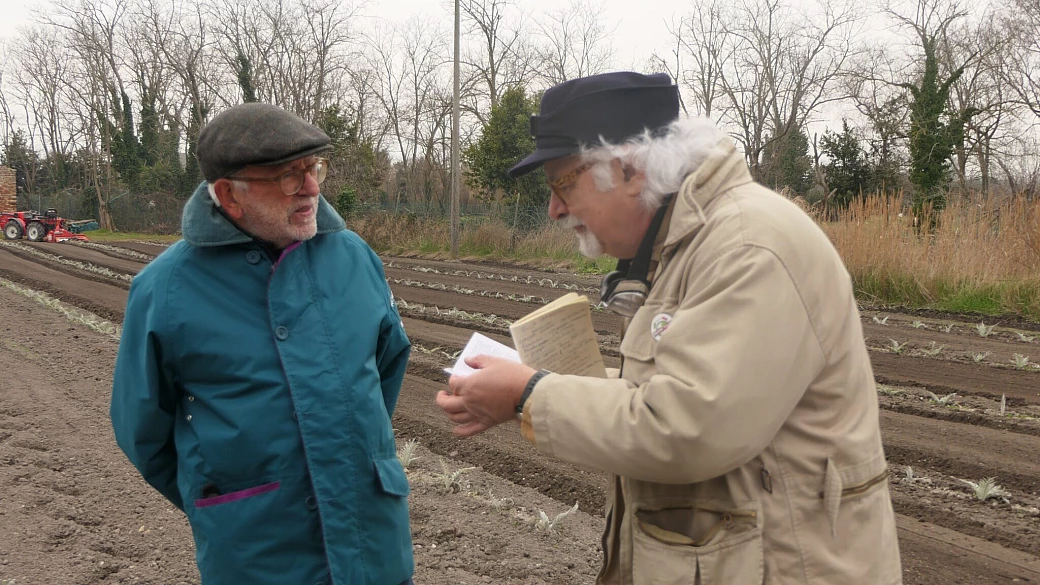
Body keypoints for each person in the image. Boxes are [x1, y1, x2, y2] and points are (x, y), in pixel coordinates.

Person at [437, 72, 902, 584]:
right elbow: (667, 393)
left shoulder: (747, 247)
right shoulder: (683, 246)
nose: (554, 209)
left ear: (630, 169)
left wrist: (528, 395)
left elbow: (688, 427)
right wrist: (538, 383)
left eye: (563, 183)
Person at [110, 103, 414, 585]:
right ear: (229, 194)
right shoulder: (164, 290)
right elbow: (142, 431)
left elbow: (385, 371)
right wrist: (225, 499)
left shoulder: (355, 258)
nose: (311, 187)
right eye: (289, 176)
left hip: (373, 547)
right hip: (257, 557)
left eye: (314, 168)